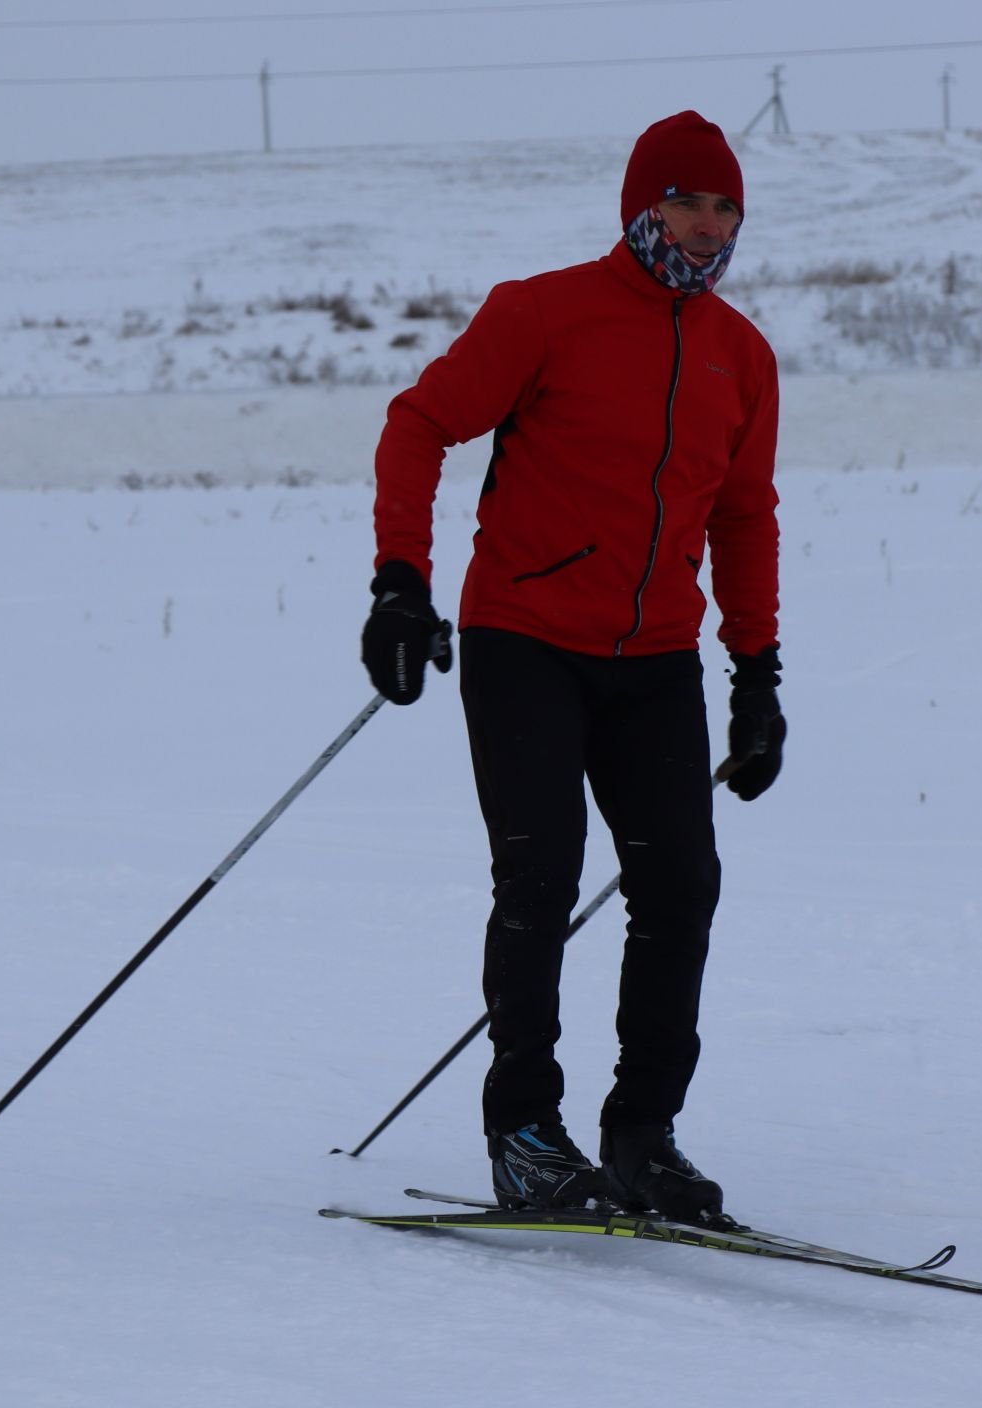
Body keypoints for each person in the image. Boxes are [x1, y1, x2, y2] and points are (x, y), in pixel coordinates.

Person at [359, 111, 783, 1225]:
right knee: (540, 879)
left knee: (680, 885)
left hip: (654, 660)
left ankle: (643, 1136)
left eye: (723, 206)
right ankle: (524, 1131)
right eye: (685, 202)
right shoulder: (542, 312)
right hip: (523, 641)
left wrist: (757, 674)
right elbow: (418, 424)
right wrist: (401, 581)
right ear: (642, 208)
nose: (704, 225)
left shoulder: (741, 355)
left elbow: (744, 518)